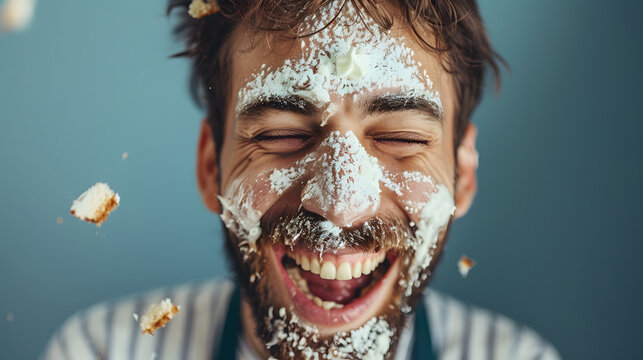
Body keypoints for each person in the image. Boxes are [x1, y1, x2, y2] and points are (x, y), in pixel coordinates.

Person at [41, 0, 561, 359]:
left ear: (463, 176)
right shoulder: (102, 350)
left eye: (401, 138)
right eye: (282, 135)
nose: (341, 205)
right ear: (210, 167)